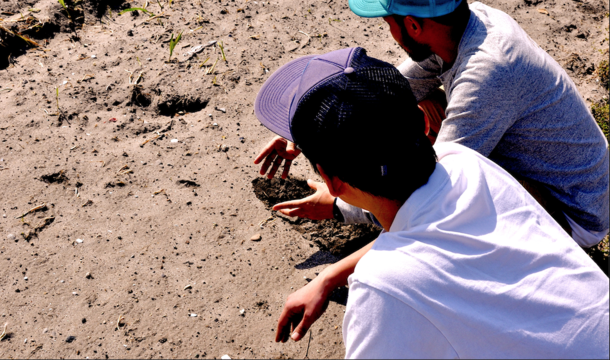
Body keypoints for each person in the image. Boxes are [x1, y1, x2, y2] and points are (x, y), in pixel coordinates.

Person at [254, 47, 610, 358]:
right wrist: (330, 278)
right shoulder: (464, 162)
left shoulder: (383, 286)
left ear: (331, 182)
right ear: (425, 122)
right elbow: (420, 233)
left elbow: (404, 263)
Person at [254, 0, 609, 248]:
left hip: (571, 211)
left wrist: (337, 205)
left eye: (387, 21)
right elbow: (386, 91)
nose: (388, 31)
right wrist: (307, 131)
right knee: (421, 105)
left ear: (412, 25)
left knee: (434, 203)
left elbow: (434, 189)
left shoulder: (488, 74)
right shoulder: (467, 24)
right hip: (550, 173)